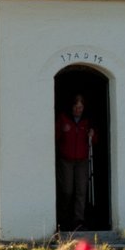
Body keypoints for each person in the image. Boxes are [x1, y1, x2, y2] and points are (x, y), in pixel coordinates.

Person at [55, 95, 94, 230]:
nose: (78, 110)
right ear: (71, 107)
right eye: (76, 107)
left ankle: (78, 220)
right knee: (66, 190)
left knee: (81, 190)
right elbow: (55, 136)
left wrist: (93, 135)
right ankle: (63, 218)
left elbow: (94, 140)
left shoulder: (87, 121)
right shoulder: (63, 118)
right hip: (66, 160)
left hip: (82, 160)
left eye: (81, 107)